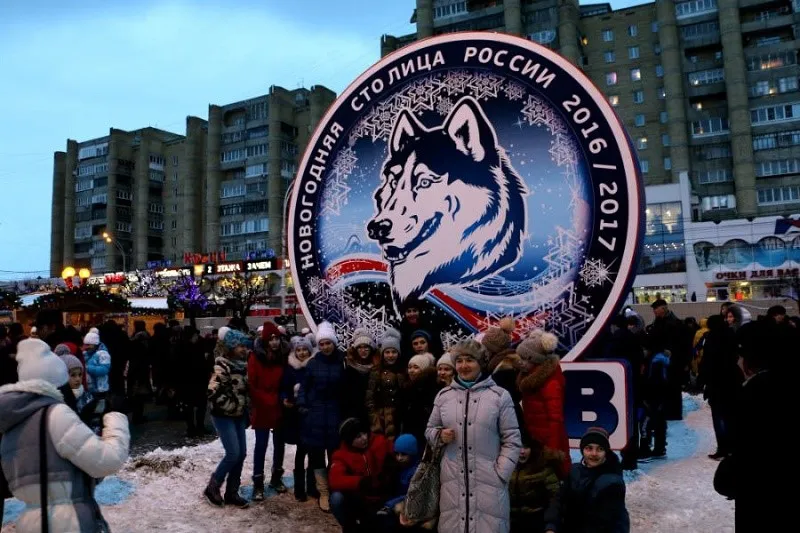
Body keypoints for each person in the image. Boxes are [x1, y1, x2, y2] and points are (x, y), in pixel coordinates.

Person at [0, 338, 130, 533]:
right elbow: (108, 460)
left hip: (30, 523)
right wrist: (116, 418)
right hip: (68, 523)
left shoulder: (11, 424)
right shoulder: (56, 415)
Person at [425, 339, 521, 533]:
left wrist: (500, 473)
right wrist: (439, 435)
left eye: (469, 360)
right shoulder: (444, 396)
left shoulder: (499, 396)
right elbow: (429, 430)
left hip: (489, 485)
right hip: (452, 482)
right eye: (458, 360)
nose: (463, 366)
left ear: (481, 362)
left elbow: (512, 440)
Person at [297, 321, 346, 512]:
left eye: (328, 343)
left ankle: (335, 490)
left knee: (335, 456)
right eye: (322, 344)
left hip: (335, 414)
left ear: (334, 343)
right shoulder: (313, 363)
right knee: (317, 456)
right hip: (315, 415)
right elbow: (304, 387)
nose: (325, 347)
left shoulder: (342, 361)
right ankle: (323, 492)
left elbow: (345, 389)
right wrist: (303, 406)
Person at [544, 427, 630, 533]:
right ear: (582, 450)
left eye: (600, 449)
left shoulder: (613, 482)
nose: (594, 453)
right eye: (589, 448)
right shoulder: (575, 470)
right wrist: (551, 525)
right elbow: (559, 500)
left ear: (606, 452)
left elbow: (606, 522)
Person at [204, 329, 251, 509]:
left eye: (244, 346)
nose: (243, 349)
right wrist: (230, 405)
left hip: (238, 415)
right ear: (231, 347)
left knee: (242, 453)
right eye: (240, 346)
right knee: (233, 453)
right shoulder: (222, 366)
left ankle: (232, 492)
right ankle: (212, 487)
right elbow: (212, 392)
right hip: (224, 416)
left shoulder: (243, 365)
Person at [517, 330, 571, 478]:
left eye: (524, 358)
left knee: (553, 478)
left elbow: (555, 418)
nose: (519, 362)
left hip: (548, 442)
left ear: (535, 360)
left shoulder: (550, 383)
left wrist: (552, 449)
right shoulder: (530, 379)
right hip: (536, 440)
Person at [328, 418, 394, 532]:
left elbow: (398, 451)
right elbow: (334, 480)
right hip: (359, 500)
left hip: (381, 495)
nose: (364, 438)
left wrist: (390, 465)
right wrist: (360, 482)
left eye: (364, 433)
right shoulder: (341, 455)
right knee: (337, 497)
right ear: (349, 441)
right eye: (358, 436)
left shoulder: (377, 441)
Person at [249, 321, 289, 500]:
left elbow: (285, 381)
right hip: (262, 406)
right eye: (271, 339)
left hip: (279, 406)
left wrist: (282, 398)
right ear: (265, 341)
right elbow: (252, 385)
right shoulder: (255, 357)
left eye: (277, 339)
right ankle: (258, 483)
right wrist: (267, 400)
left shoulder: (283, 357)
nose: (274, 342)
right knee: (261, 445)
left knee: (279, 444)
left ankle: (276, 477)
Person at [280, 336, 316, 502]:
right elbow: (284, 387)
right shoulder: (290, 368)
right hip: (297, 414)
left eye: (305, 349)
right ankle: (300, 488)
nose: (302, 353)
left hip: (314, 412)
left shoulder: (315, 365)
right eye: (299, 350)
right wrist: (287, 398)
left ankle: (312, 485)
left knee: (314, 452)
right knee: (301, 451)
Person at [510, 431, 561, 533]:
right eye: (518, 446)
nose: (522, 451)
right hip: (508, 522)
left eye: (526, 447)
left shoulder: (544, 468)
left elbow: (555, 498)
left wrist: (550, 526)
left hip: (536, 523)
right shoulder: (504, 466)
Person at [366, 335, 407, 440]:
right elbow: (370, 398)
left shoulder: (403, 371)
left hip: (399, 417)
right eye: (387, 352)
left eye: (394, 352)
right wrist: (375, 421)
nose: (390, 355)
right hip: (382, 417)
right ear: (382, 354)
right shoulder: (376, 372)